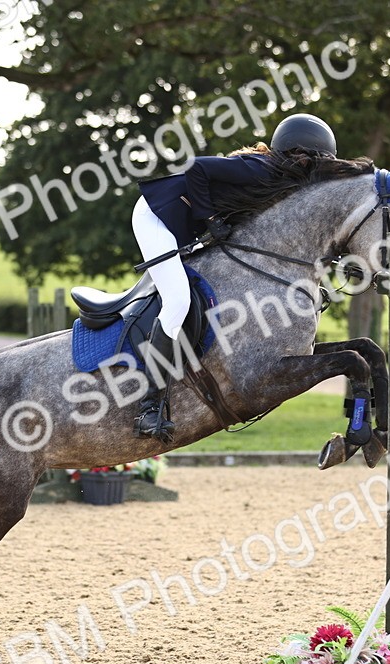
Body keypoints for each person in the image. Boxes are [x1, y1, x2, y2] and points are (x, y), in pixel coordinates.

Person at [129, 113, 339, 442]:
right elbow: (195, 167)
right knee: (177, 301)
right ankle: (149, 407)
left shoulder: (277, 182)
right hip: (155, 217)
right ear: (298, 155)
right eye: (316, 162)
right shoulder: (261, 168)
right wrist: (210, 218)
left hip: (179, 219)